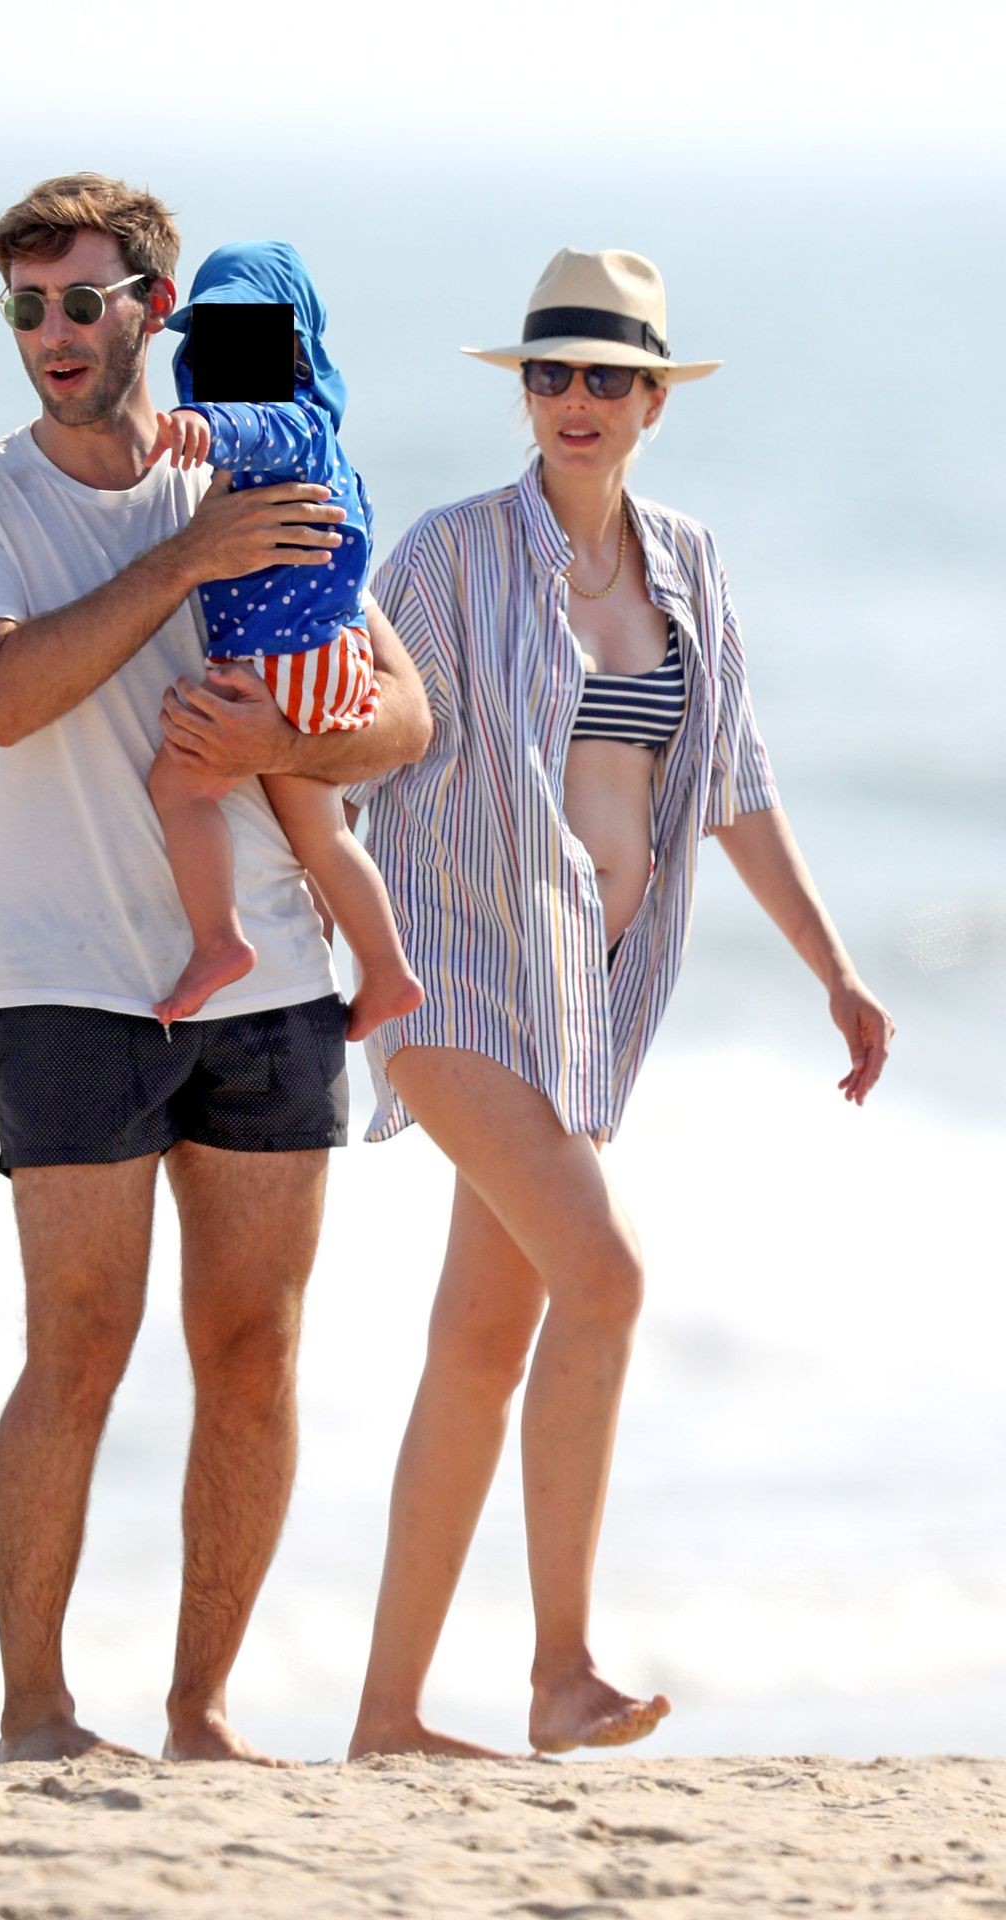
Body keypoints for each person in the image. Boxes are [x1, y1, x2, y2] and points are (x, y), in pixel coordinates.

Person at [0, 173, 430, 1767]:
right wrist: (187, 561)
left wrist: (287, 738)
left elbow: (403, 716)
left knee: (255, 1355)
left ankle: (202, 1716)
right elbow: (2, 696)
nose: (52, 332)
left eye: (82, 300)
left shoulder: (253, 451)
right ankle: (37, 1714)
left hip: (273, 989)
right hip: (65, 983)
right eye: (26, 307)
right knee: (77, 1348)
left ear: (157, 306)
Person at [345, 248, 895, 1760]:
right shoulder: (448, 557)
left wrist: (833, 968)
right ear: (523, 390)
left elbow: (733, 785)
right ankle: (562, 1671)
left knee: (480, 1341)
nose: (573, 400)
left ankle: (387, 1716)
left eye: (605, 376)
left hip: (587, 1000)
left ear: (654, 400)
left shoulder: (688, 567)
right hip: (454, 972)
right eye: (549, 373)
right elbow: (350, 731)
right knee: (606, 1275)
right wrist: (309, 894)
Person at [146, 241, 423, 1039]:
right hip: (323, 656)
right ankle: (387, 972)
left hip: (283, 660)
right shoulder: (317, 448)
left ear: (293, 349)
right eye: (216, 339)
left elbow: (255, 424)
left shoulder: (294, 423)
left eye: (250, 338)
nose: (229, 357)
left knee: (181, 788)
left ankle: (219, 942)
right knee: (322, 834)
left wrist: (202, 423)